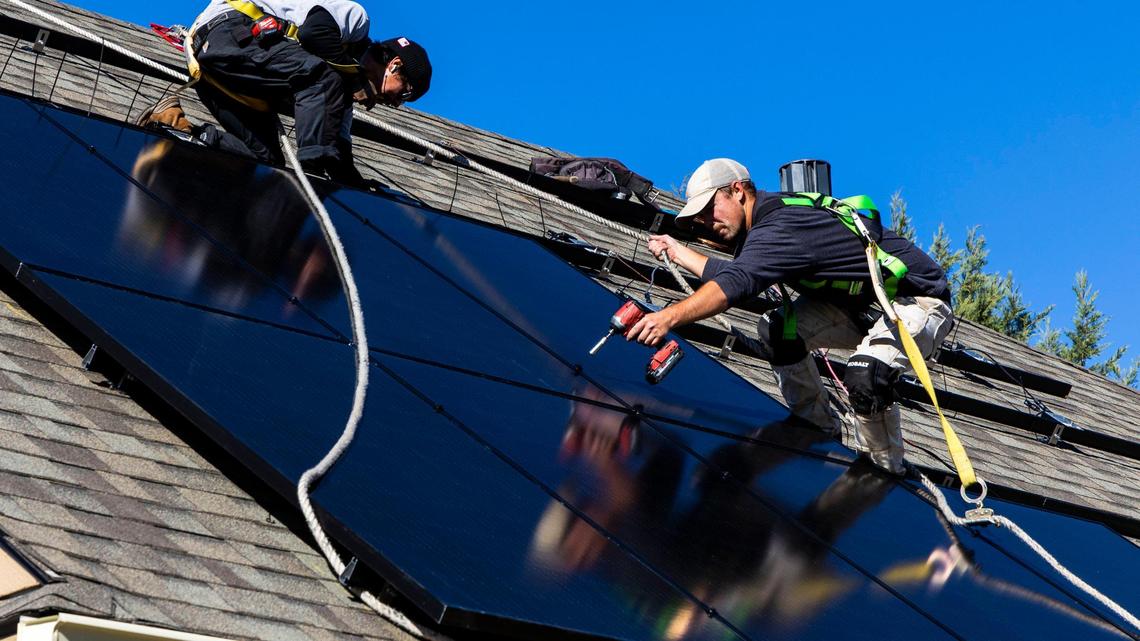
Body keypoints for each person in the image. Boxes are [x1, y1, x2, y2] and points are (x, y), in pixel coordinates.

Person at [626, 158, 954, 475]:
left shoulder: (782, 224)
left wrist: (668, 317)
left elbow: (737, 283)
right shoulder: (765, 231)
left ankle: (882, 472)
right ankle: (818, 428)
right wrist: (677, 251)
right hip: (859, 309)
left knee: (867, 374)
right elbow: (738, 273)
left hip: (918, 302)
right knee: (777, 329)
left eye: (711, 208)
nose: (707, 222)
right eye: (700, 218)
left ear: (738, 190)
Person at [139, 0, 431, 186]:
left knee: (265, 161)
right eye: (402, 95)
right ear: (394, 65)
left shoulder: (337, 93)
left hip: (231, 73)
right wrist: (353, 80)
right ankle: (310, 169)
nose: (393, 103)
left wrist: (356, 186)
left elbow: (339, 149)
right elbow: (313, 34)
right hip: (229, 33)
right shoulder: (355, 22)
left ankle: (174, 126)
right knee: (322, 77)